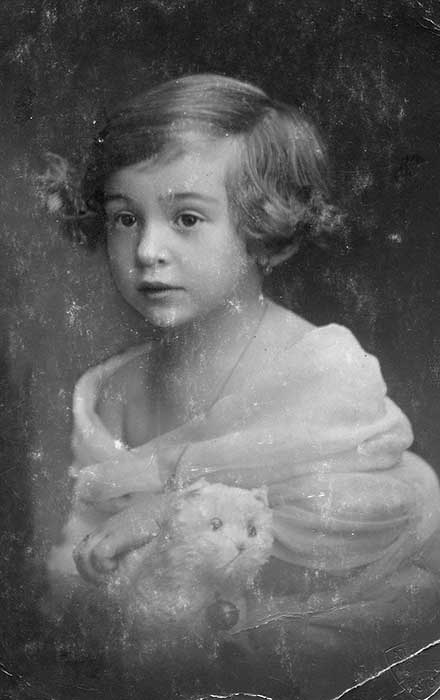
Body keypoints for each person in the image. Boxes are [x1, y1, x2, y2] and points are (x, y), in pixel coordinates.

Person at [45, 74, 440, 699]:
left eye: (187, 218)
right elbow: (81, 553)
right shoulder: (109, 392)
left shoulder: (320, 370)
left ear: (264, 230)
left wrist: (168, 514)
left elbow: (359, 517)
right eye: (125, 218)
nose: (148, 250)